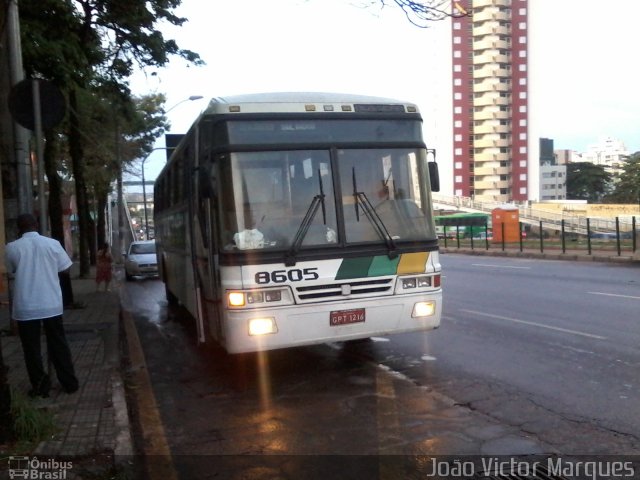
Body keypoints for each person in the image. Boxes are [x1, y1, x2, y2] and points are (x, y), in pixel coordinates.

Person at [4, 213, 79, 398]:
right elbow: (66, 268)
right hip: (51, 303)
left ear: (18, 228)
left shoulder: (12, 248)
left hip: (26, 306)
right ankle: (69, 382)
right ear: (36, 225)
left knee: (31, 349)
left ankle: (40, 387)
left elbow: (11, 270)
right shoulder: (52, 244)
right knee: (58, 343)